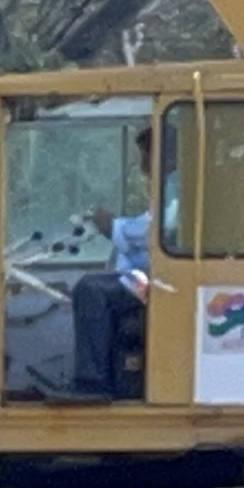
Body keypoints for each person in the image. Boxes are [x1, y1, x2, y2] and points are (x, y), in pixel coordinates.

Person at [67, 125, 175, 400]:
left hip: (163, 281)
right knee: (100, 282)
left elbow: (152, 232)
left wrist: (111, 225)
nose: (142, 166)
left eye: (146, 156)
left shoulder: (177, 186)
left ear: (166, 154)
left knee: (90, 290)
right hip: (152, 273)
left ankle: (93, 381)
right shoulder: (167, 187)